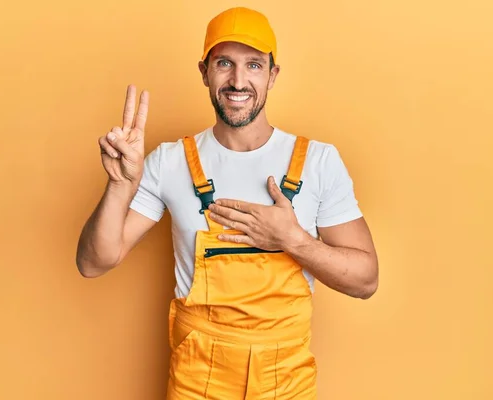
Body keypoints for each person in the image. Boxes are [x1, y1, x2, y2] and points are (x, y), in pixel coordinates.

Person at [76, 6, 378, 399]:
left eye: (254, 65)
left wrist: (293, 240)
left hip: (286, 383)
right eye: (224, 63)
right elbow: (93, 262)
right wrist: (119, 185)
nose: (238, 80)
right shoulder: (168, 162)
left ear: (273, 74)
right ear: (204, 71)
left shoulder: (319, 162)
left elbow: (366, 280)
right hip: (196, 382)